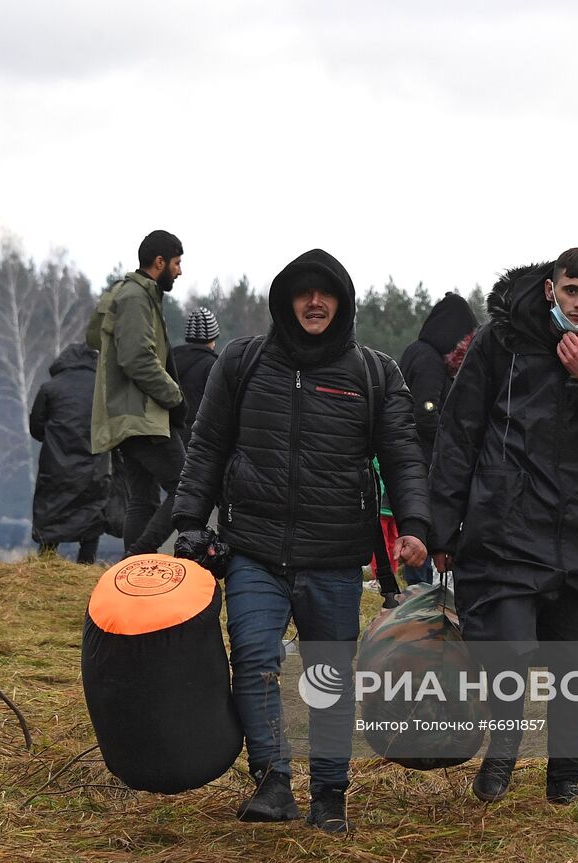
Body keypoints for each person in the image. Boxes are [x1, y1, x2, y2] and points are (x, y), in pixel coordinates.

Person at [172, 248, 430, 834]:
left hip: (336, 554)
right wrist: (190, 521)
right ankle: (272, 783)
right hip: (253, 549)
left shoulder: (374, 373)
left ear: (342, 303)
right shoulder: (242, 361)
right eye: (303, 293)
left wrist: (414, 527)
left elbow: (404, 456)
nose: (315, 303)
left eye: (326, 293)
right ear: (285, 301)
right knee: (255, 660)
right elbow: (207, 445)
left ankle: (331, 796)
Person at [427, 247, 578, 806]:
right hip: (509, 526)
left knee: (570, 664)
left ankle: (565, 777)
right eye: (571, 290)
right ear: (550, 288)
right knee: (504, 645)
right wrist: (441, 527)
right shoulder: (500, 344)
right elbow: (459, 435)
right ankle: (503, 749)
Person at [87, 230, 186, 556]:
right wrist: (175, 397)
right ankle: (137, 556)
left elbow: (95, 338)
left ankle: (135, 575)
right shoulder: (135, 297)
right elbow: (136, 358)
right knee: (186, 487)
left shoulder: (126, 293)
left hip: (127, 415)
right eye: (176, 262)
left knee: (142, 498)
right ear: (159, 262)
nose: (180, 271)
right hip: (142, 416)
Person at [397, 292, 478, 586]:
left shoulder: (415, 352)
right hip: (424, 464)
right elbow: (425, 412)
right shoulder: (430, 361)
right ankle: (422, 600)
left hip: (409, 461)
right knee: (423, 534)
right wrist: (454, 436)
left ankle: (417, 594)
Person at [29, 342, 108, 564]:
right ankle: (86, 562)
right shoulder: (102, 388)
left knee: (51, 511)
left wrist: (55, 440)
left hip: (55, 465)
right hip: (93, 465)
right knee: (92, 512)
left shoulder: (50, 388)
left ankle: (45, 561)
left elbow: (36, 427)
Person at [172, 306, 220, 447]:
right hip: (201, 437)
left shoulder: (172, 360)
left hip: (173, 436)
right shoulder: (213, 365)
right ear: (212, 339)